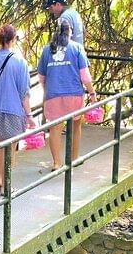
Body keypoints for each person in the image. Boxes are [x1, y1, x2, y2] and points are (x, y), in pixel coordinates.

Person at [0, 25, 36, 194]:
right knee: (11, 147)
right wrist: (29, 114)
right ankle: (5, 185)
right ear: (13, 39)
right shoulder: (20, 62)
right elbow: (24, 92)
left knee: (2, 143)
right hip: (13, 109)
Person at [38, 18, 97, 170]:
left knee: (55, 128)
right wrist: (92, 93)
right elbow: (85, 75)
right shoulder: (77, 48)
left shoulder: (47, 50)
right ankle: (74, 158)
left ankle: (56, 163)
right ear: (70, 31)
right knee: (75, 125)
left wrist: (47, 91)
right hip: (74, 94)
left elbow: (41, 77)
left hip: (53, 94)